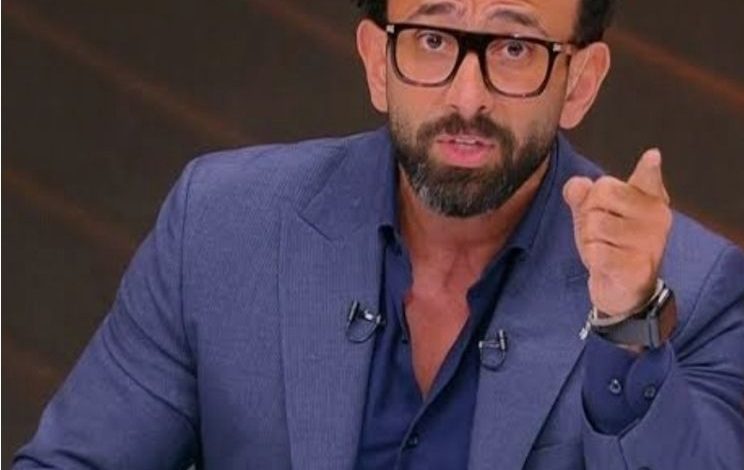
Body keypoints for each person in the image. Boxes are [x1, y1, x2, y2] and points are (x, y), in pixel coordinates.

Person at [14, 0, 744, 468]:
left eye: (515, 49)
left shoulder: (697, 284)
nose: (467, 96)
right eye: (430, 38)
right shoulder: (221, 223)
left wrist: (627, 324)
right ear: (375, 61)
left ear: (580, 80)